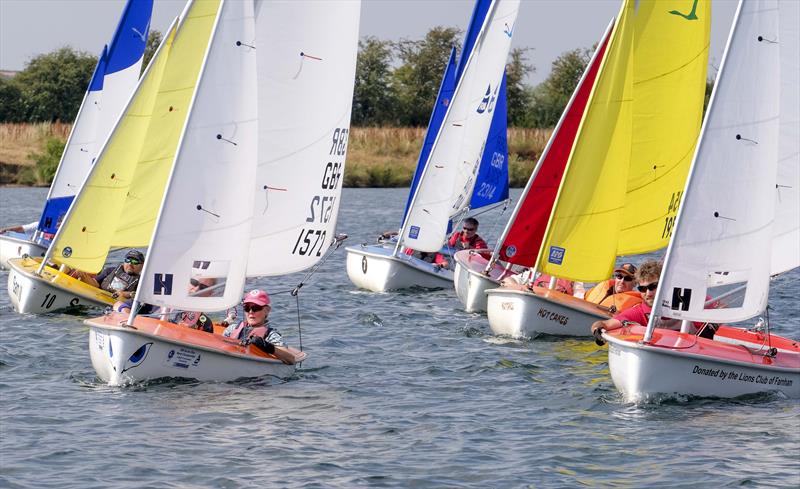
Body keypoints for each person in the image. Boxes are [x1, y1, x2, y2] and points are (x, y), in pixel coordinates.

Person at [591, 260, 665, 344]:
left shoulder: (681, 306)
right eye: (643, 289)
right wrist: (597, 330)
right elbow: (603, 324)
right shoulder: (638, 312)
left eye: (653, 287)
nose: (648, 293)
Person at [222, 289, 296, 364]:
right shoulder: (232, 329)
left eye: (255, 308)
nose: (250, 312)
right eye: (247, 308)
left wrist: (267, 346)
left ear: (267, 310)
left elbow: (291, 359)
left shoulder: (271, 335)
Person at [71, 249, 144, 299]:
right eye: (127, 260)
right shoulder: (110, 271)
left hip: (114, 306)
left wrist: (126, 294)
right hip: (98, 297)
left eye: (134, 262)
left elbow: (142, 298)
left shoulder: (142, 282)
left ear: (142, 265)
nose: (130, 264)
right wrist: (83, 276)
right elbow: (95, 283)